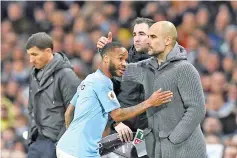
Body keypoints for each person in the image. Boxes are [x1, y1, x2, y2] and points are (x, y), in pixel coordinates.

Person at [56, 42, 173, 158]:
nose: (124, 64)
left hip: (65, 147)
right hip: (79, 153)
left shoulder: (90, 78)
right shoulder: (103, 82)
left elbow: (68, 113)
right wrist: (150, 102)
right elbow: (117, 115)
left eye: (126, 60)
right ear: (106, 59)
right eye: (120, 59)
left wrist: (73, 139)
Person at [122, 21, 207, 158]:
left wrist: (173, 139)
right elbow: (121, 72)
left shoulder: (184, 69)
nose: (148, 41)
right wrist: (106, 50)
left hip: (186, 151)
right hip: (159, 150)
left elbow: (197, 109)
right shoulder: (147, 67)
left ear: (167, 40)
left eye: (153, 37)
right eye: (148, 37)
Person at [97, 17, 155, 143]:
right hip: (121, 133)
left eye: (141, 34)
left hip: (151, 137)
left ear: (153, 36)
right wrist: (115, 123)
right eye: (134, 34)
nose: (137, 38)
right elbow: (104, 94)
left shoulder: (163, 65)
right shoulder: (123, 62)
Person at [26, 32, 81, 158]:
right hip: (37, 141)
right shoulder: (34, 75)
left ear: (48, 51)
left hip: (57, 144)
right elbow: (31, 108)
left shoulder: (66, 75)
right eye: (29, 55)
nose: (31, 60)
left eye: (35, 54)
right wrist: (32, 138)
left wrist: (60, 144)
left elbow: (75, 111)